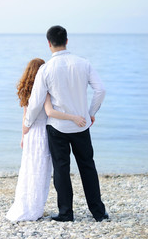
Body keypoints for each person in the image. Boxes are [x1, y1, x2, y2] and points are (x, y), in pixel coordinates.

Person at [23, 25, 108, 222]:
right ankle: (98, 212)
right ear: (67, 41)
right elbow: (100, 90)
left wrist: (27, 123)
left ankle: (65, 213)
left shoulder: (45, 69)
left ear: (49, 43)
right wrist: (90, 113)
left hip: (57, 127)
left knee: (61, 169)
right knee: (88, 167)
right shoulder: (83, 63)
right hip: (81, 125)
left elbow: (36, 101)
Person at [6, 58, 87, 222]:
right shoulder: (44, 91)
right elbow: (50, 112)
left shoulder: (26, 91)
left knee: (29, 171)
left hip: (30, 134)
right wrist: (73, 117)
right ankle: (35, 209)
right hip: (42, 134)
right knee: (40, 173)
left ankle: (27, 205)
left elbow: (25, 117)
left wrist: (23, 136)